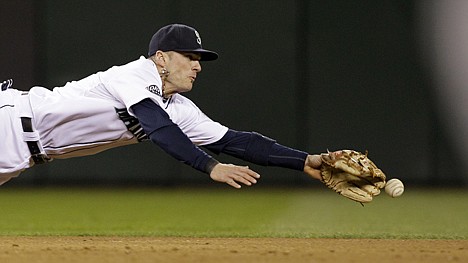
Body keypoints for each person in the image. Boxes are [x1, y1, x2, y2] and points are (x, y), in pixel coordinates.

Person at [0, 23, 324, 187]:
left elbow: (235, 142)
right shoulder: (135, 75)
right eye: (190, 57)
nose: (197, 66)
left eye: (200, 60)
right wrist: (210, 167)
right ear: (161, 58)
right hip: (10, 121)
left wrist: (304, 161)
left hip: (23, 157)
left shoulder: (179, 107)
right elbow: (158, 128)